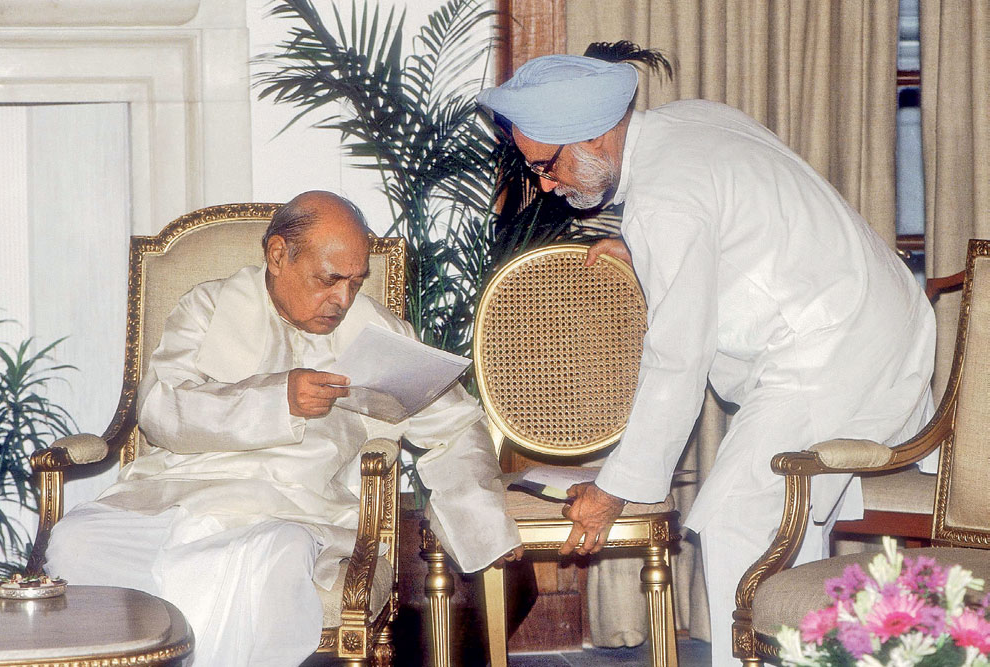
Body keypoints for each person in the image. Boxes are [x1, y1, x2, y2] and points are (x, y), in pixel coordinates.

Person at [477, 55, 935, 665]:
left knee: (736, 520)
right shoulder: (687, 122)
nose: (543, 184)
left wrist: (614, 491)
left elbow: (677, 361)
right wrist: (643, 250)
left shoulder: (663, 202)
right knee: (781, 525)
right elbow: (737, 222)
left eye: (545, 164)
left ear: (593, 133)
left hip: (833, 346)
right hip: (874, 317)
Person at [45, 191, 522, 667]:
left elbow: (456, 425)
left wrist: (484, 527)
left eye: (356, 283)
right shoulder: (208, 308)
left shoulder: (376, 331)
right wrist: (277, 398)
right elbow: (160, 408)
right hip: (174, 496)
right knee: (75, 541)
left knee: (282, 554)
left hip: (288, 511)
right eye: (329, 279)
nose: (343, 299)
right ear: (278, 255)